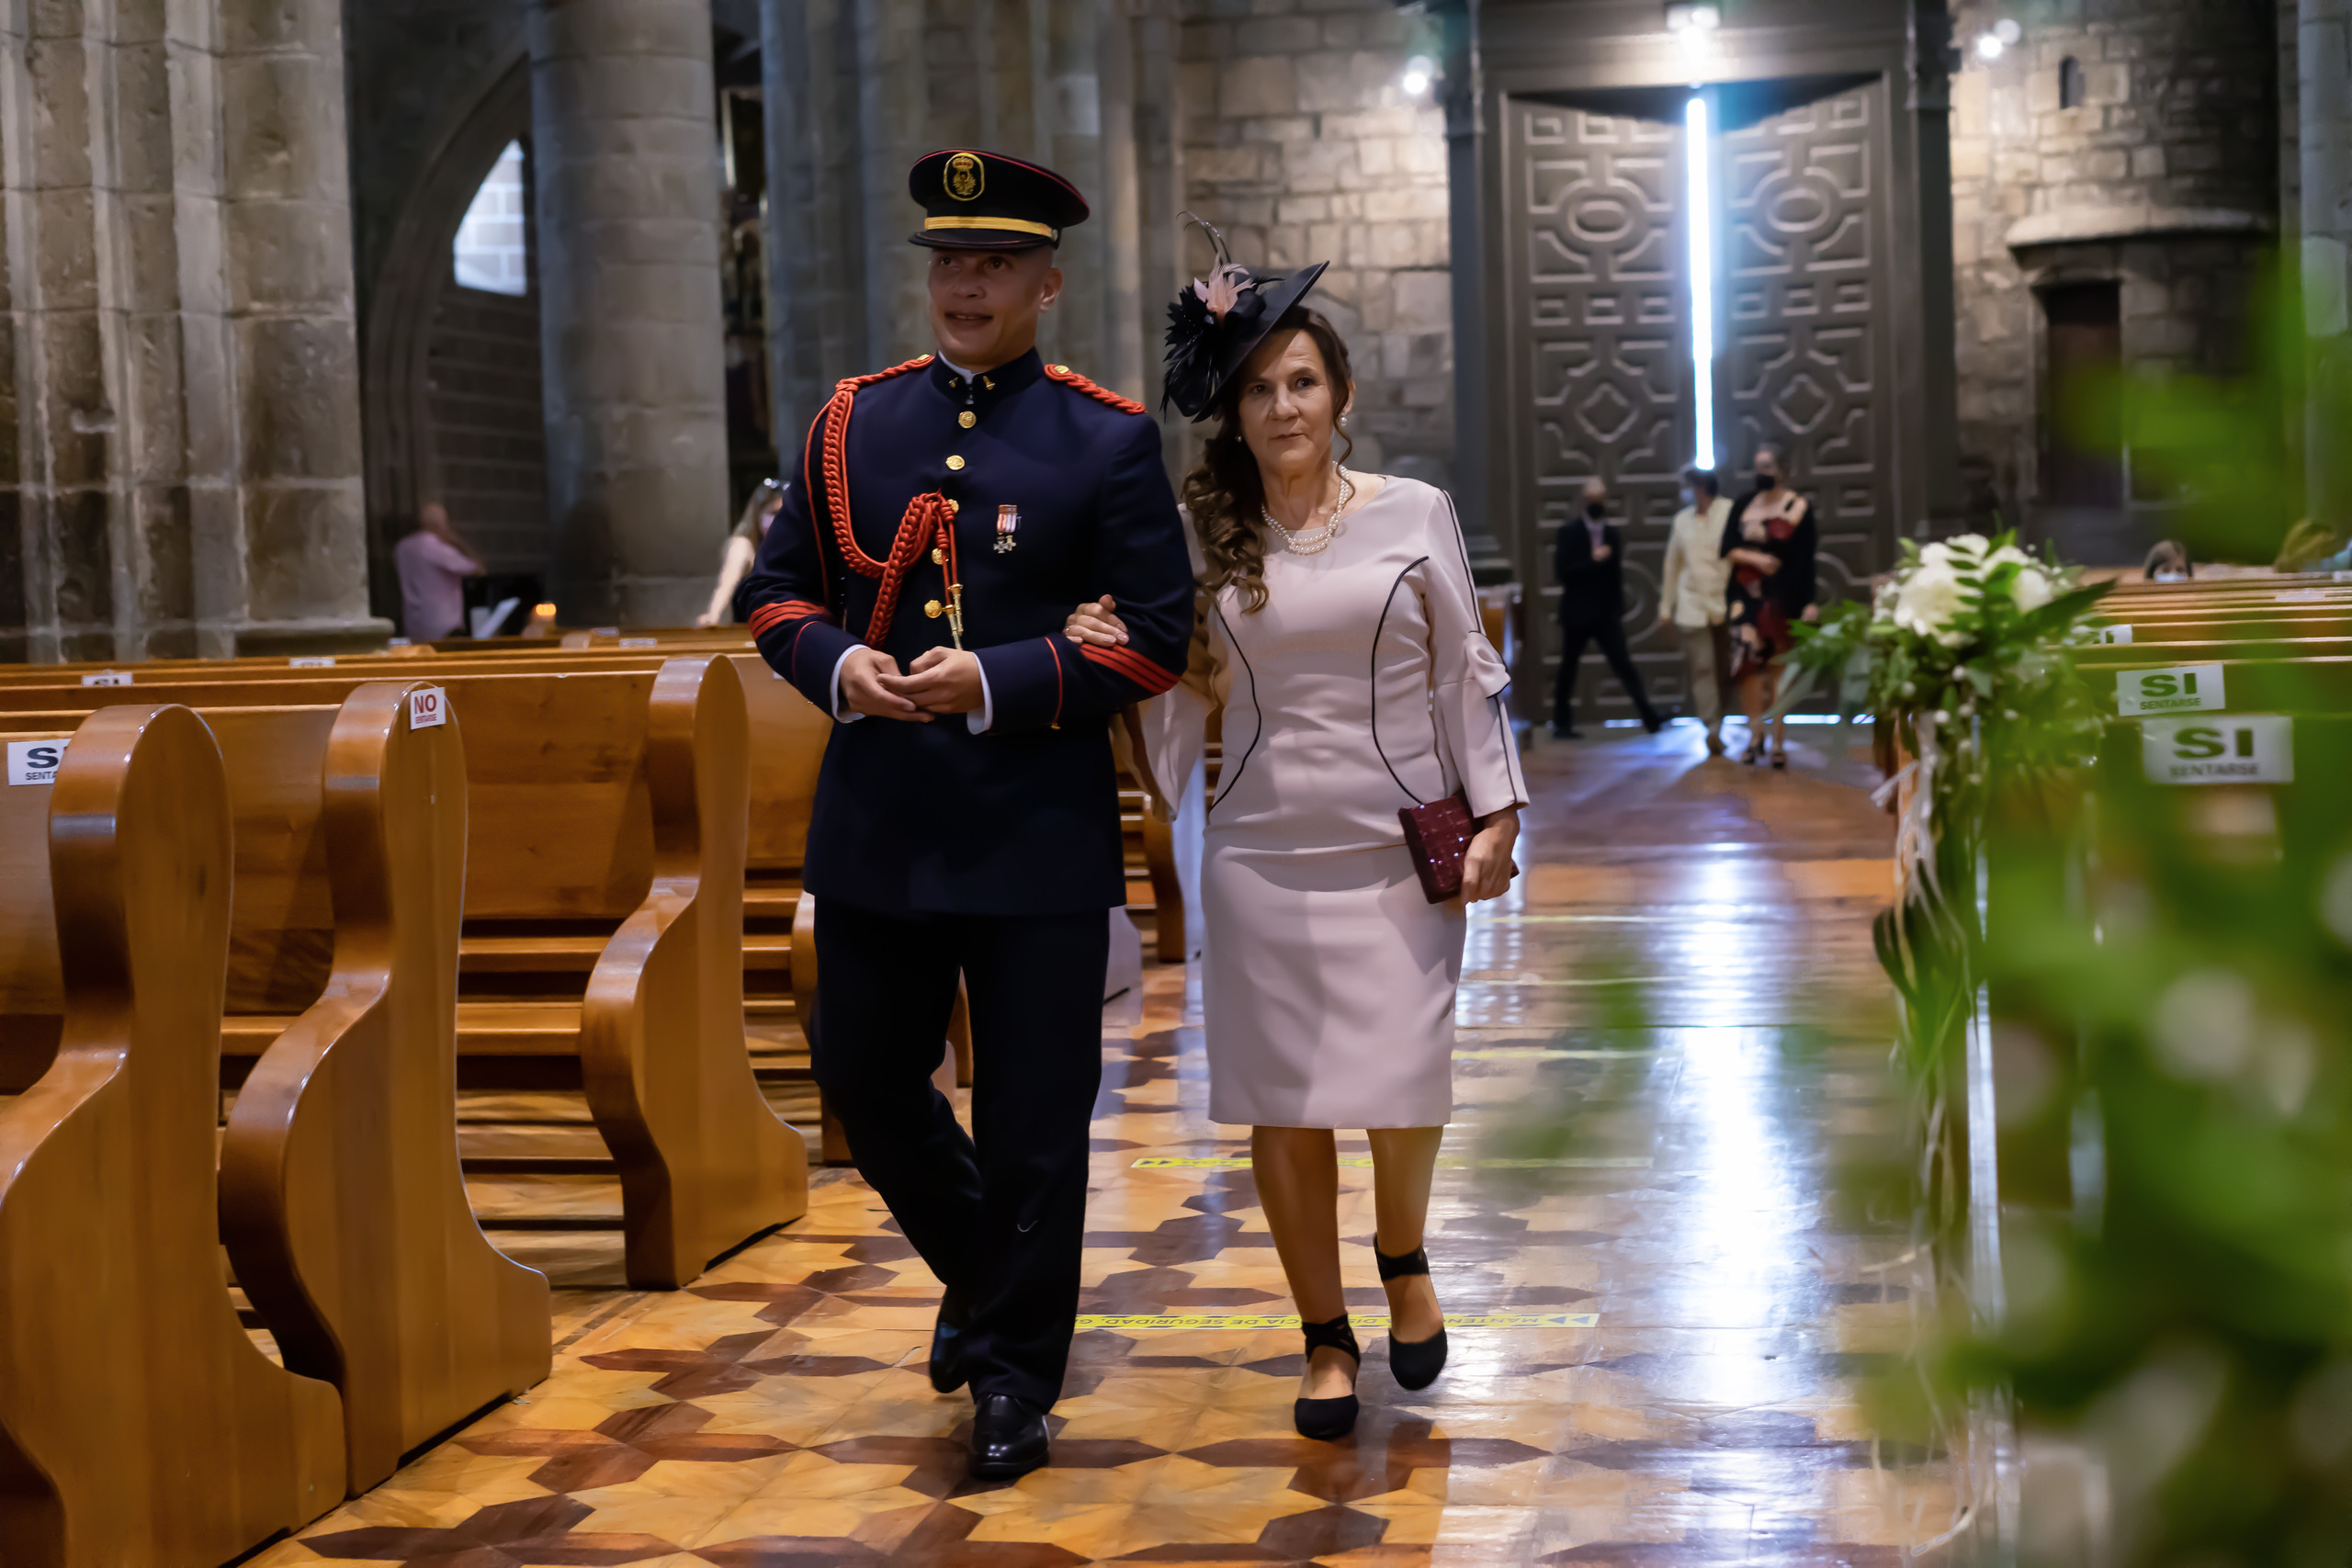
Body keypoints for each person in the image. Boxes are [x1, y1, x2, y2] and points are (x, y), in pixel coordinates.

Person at [733, 151, 1193, 1482]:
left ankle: (1011, 1377)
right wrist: (835, 663)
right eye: (949, 261)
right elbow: (775, 595)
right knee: (868, 1082)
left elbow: (1156, 637)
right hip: (883, 820)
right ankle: (995, 1278)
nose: (966, 284)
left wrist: (995, 677)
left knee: (1038, 1119)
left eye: (994, 264)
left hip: (1036, 830)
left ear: (1047, 283)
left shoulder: (1103, 438)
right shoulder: (850, 425)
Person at [1063, 230, 1527, 1442]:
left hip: (1395, 845)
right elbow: (1164, 688)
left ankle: (1403, 1250)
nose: (1283, 405)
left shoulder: (1414, 510)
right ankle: (1323, 1332)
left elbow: (1462, 675)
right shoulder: (1202, 530)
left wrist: (1500, 811)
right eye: (1260, 386)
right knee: (1284, 1101)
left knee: (1403, 1080)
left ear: (1343, 395)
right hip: (1263, 851)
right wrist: (1123, 660)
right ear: (1234, 409)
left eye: (1303, 382)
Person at [1721, 445, 1818, 767]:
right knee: (1747, 668)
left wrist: (1809, 601)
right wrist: (1757, 558)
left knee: (1780, 670)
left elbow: (1806, 561)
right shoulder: (1743, 504)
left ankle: (1778, 740)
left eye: (1767, 466)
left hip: (1782, 597)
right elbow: (1727, 547)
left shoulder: (1799, 508)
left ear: (1782, 470)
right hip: (1744, 596)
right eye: (1757, 466)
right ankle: (1754, 735)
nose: (1761, 472)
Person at [1552, 477, 1663, 738]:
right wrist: (1593, 560)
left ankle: (1650, 717)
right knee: (1568, 668)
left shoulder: (1611, 534)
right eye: (1592, 500)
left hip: (1605, 615)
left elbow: (1616, 576)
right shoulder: (1569, 532)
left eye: (1600, 499)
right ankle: (1561, 724)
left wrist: (1618, 607)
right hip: (1577, 613)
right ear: (1583, 501)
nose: (1597, 504)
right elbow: (1563, 572)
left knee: (1624, 664)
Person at [1655, 467, 1735, 754]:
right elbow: (1672, 566)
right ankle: (1711, 726)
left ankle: (1722, 718)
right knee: (1703, 668)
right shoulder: (1682, 522)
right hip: (1692, 606)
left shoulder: (1728, 511)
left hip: (1725, 605)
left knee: (1724, 670)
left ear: (1701, 486)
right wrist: (1666, 608)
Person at [696, 479, 786, 626]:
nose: (779, 521)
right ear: (758, 514)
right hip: (750, 634)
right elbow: (726, 583)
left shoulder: (788, 547)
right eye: (773, 513)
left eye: (784, 514)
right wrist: (713, 614)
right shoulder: (742, 546)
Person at [393, 502, 483, 642]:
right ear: (440, 523)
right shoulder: (437, 548)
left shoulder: (402, 547)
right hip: (443, 625)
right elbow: (476, 569)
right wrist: (456, 542)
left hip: (413, 623)